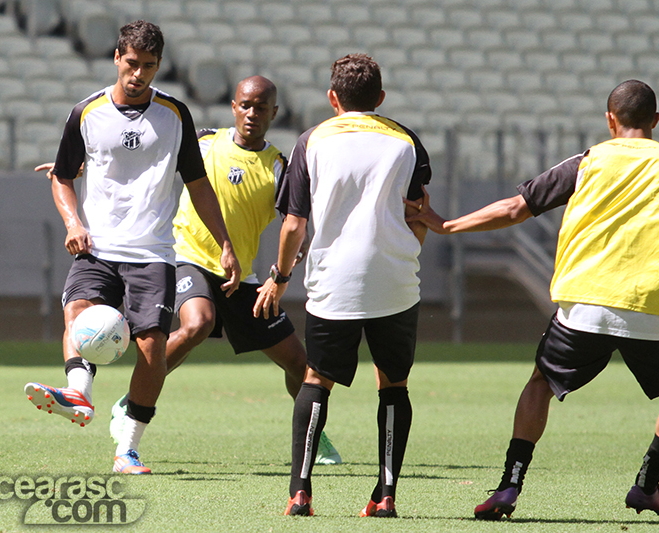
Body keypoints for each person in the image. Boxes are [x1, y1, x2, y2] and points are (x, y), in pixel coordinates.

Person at [407, 80, 659, 520]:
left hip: (584, 307)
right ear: (655, 122)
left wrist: (446, 225)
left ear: (610, 120)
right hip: (651, 311)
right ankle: (647, 485)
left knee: (540, 381)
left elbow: (515, 208)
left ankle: (509, 486)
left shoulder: (588, 161)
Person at [24, 20, 240, 475]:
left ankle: (128, 448)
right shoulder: (85, 112)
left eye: (149, 65)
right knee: (78, 309)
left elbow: (198, 186)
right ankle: (78, 392)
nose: (139, 74)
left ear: (159, 65)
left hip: (152, 252)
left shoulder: (176, 114)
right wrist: (73, 223)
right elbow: (62, 176)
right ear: (117, 58)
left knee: (151, 349)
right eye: (131, 63)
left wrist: (225, 243)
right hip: (97, 245)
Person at [107, 75, 341, 466]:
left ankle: (313, 437)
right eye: (245, 105)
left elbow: (295, 224)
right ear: (233, 107)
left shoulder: (279, 167)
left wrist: (291, 258)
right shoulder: (201, 141)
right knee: (198, 323)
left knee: (300, 364)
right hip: (187, 256)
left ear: (274, 113)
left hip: (242, 277)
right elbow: (142, 160)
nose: (251, 113)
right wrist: (81, 166)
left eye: (261, 108)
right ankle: (132, 400)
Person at [253, 53, 431, 518]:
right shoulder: (406, 140)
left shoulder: (311, 141)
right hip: (395, 280)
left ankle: (300, 492)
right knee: (394, 385)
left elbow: (294, 225)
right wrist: (406, 251)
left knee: (316, 380)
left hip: (334, 281)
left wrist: (280, 277)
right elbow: (419, 214)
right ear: (381, 99)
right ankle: (386, 494)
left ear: (333, 98)